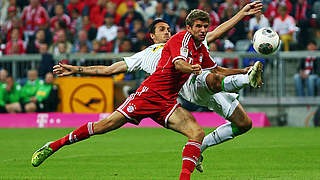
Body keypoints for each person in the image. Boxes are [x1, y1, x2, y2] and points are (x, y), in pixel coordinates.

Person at [32, 4, 262, 179]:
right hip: (147, 95)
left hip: (170, 100)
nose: (166, 32)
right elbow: (110, 69)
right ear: (152, 36)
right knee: (104, 126)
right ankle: (54, 145)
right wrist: (77, 69)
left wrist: (241, 17)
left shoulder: (192, 42)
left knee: (197, 133)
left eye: (168, 28)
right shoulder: (151, 52)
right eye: (162, 29)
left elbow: (214, 42)